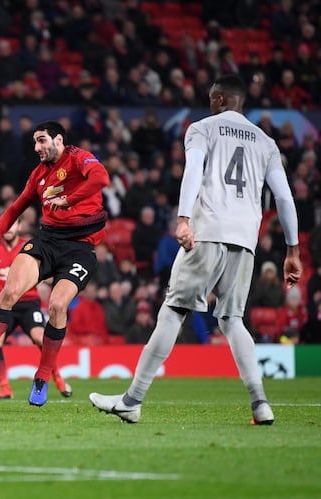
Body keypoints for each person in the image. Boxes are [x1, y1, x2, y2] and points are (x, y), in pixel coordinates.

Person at [89, 74, 302, 425]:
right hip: (245, 240)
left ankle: (132, 400)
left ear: (219, 99)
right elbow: (283, 197)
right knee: (233, 320)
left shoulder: (202, 128)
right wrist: (292, 250)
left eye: (210, 98)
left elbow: (193, 170)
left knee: (173, 311)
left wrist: (184, 218)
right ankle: (260, 403)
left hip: (208, 231)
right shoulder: (266, 142)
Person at [0, 120, 110, 406]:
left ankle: (41, 378)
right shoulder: (39, 175)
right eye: (35, 143)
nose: (37, 147)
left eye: (42, 141)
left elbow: (101, 179)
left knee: (57, 305)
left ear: (58, 139)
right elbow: (15, 208)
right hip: (48, 241)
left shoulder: (79, 158)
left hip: (81, 249)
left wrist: (68, 200)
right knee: (8, 293)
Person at [0, 218, 72, 400]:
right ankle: (5, 389)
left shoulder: (29, 246)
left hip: (28, 303)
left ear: (19, 226)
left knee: (40, 338)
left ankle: (57, 378)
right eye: (6, 225)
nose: (9, 229)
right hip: (4, 306)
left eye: (13, 224)